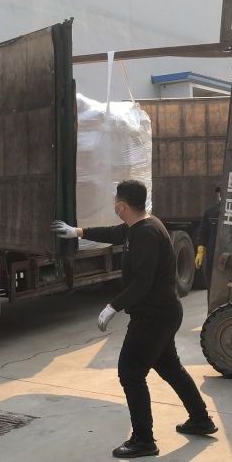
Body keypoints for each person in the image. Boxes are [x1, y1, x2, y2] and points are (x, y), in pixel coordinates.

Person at [51, 180, 217, 459]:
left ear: (122, 206)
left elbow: (142, 282)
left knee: (130, 373)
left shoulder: (146, 234)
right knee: (170, 367)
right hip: (162, 313)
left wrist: (112, 306)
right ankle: (200, 419)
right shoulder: (141, 225)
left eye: (116, 201)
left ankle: (143, 440)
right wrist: (77, 231)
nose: (114, 205)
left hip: (154, 317)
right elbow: (115, 232)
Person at [196, 187, 221, 299]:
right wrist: (200, 252)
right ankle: (213, 309)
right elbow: (203, 233)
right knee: (212, 290)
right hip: (213, 258)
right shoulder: (210, 212)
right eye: (219, 192)